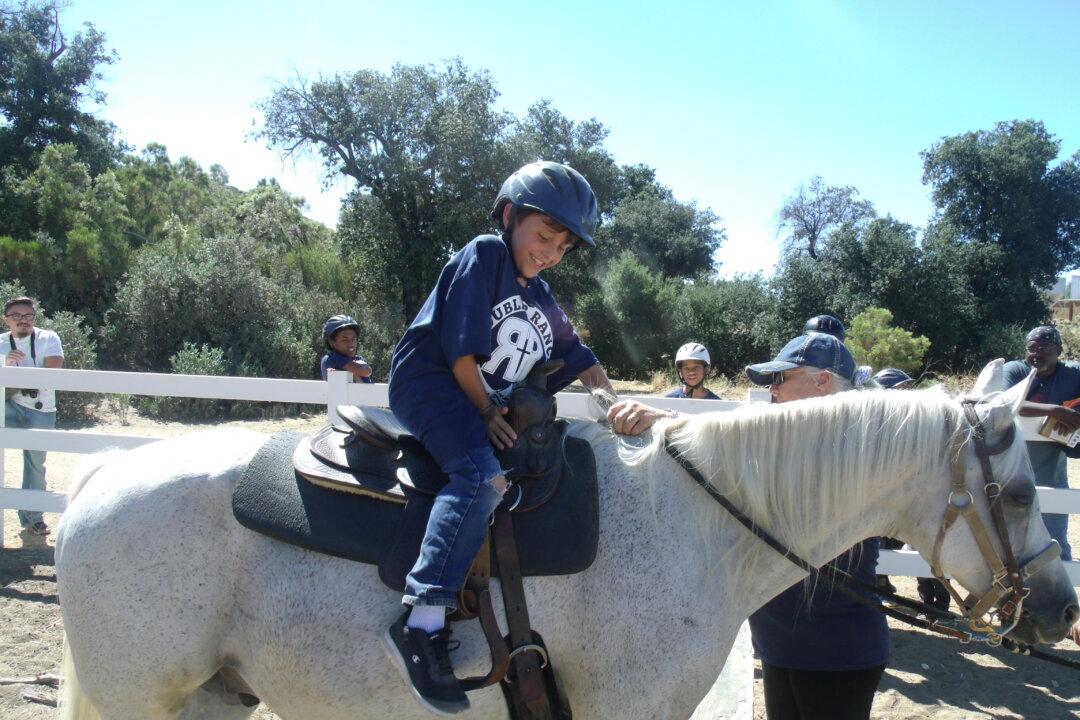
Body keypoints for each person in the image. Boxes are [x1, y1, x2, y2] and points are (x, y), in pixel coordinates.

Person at [382, 161, 615, 715]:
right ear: (510, 217)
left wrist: (616, 404)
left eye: (562, 245)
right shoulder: (485, 255)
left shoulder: (541, 295)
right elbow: (459, 352)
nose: (550, 251)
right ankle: (423, 620)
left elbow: (582, 359)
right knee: (481, 478)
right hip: (435, 386)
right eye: (542, 236)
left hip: (477, 400)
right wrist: (486, 410)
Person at [610, 334, 888, 720]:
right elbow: (735, 449)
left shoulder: (853, 449)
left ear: (822, 382)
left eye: (780, 380)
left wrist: (670, 421)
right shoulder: (794, 441)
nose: (772, 392)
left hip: (834, 652)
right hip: (782, 643)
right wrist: (669, 421)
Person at [870, 368, 951, 613]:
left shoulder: (918, 421)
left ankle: (931, 590)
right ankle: (881, 585)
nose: (908, 393)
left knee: (924, 537)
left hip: (913, 494)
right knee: (879, 540)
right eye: (900, 389)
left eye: (907, 388)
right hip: (884, 497)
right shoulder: (877, 421)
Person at [1002, 325, 1080, 562]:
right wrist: (1057, 410)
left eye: (1044, 348)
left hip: (1051, 471)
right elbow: (1007, 403)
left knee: (1053, 538)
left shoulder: (1072, 374)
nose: (1036, 353)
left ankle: (1061, 593)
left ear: (1058, 350)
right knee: (1007, 538)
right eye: (1031, 348)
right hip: (1008, 472)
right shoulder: (1015, 370)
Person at [1, 297, 64, 537]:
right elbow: (3, 393)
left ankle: (33, 518)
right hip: (9, 405)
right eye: (16, 316)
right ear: (6, 320)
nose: (23, 321)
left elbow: (52, 373)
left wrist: (10, 377)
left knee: (35, 464)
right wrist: (6, 368)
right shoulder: (0, 344)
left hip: (41, 408)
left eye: (28, 316)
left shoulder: (49, 338)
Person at [320, 314, 373, 382]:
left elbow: (367, 371)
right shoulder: (331, 359)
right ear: (332, 342)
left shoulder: (357, 359)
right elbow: (366, 371)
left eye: (353, 339)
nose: (351, 344)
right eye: (344, 340)